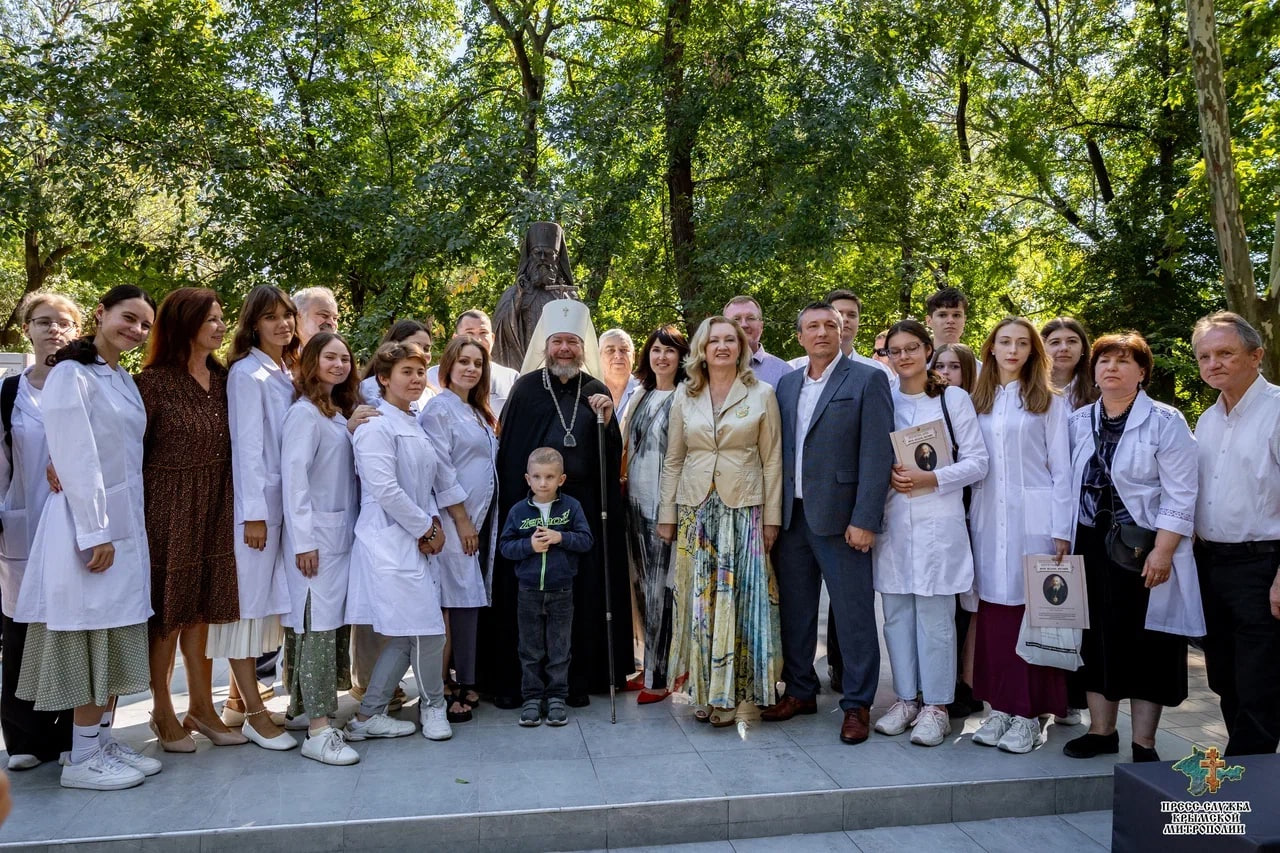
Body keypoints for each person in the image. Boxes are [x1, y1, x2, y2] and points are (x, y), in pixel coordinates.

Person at [15, 285, 163, 791]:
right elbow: (76, 458)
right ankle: (80, 759)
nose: (136, 330)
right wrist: (95, 532)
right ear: (99, 315)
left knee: (115, 635)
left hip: (124, 525)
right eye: (129, 318)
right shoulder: (70, 375)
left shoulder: (119, 377)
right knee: (91, 638)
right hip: (89, 528)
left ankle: (100, 742)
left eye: (145, 324)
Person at [478, 300, 632, 709]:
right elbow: (510, 456)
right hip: (531, 508)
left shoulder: (596, 390)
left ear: (583, 348)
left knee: (580, 598)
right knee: (528, 600)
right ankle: (523, 683)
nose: (565, 348)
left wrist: (606, 419)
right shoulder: (527, 389)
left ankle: (579, 678)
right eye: (558, 341)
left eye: (572, 342)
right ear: (547, 346)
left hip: (582, 509)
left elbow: (611, 453)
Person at [1062, 332, 1202, 763]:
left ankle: (1144, 742)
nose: (1111, 368)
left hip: (1143, 548)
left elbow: (1181, 494)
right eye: (1104, 360)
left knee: (1148, 643)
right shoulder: (1077, 420)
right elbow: (1062, 486)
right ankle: (1102, 731)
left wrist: (1163, 551)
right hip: (1089, 543)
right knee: (1095, 636)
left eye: (1124, 361)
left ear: (1142, 373)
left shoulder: (1166, 420)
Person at [761, 304, 893, 744]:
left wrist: (865, 518)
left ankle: (856, 704)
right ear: (799, 337)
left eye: (830, 326)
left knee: (854, 615)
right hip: (792, 517)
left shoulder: (868, 379)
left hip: (842, 520)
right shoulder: (787, 383)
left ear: (843, 332)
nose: (821, 333)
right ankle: (800, 690)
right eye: (812, 327)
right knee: (795, 613)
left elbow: (877, 455)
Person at [658, 316, 783, 726]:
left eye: (731, 340)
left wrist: (772, 519)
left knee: (738, 602)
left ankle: (735, 697)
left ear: (742, 348)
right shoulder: (684, 395)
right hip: (696, 510)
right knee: (700, 603)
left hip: (743, 509)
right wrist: (667, 512)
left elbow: (772, 461)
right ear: (702, 349)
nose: (723, 347)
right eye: (715, 341)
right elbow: (674, 458)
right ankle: (706, 689)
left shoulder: (761, 393)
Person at [136, 288, 245, 752]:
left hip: (218, 502)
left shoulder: (224, 379)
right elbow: (128, 448)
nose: (221, 327)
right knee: (169, 613)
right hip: (168, 505)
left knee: (203, 612)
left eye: (222, 319)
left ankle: (202, 707)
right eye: (212, 320)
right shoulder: (153, 383)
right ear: (184, 324)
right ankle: (161, 710)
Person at [872, 319, 988, 747]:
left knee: (936, 618)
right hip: (894, 521)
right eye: (895, 350)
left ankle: (937, 706)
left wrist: (931, 479)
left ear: (927, 350)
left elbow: (978, 462)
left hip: (939, 520)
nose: (903, 357)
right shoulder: (882, 398)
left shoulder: (952, 400)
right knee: (898, 613)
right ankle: (905, 699)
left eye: (911, 348)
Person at [967, 316, 1073, 754]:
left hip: (1036, 520)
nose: (1012, 350)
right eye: (1004, 342)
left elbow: (1063, 469)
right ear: (991, 348)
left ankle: (1030, 715)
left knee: (1036, 616)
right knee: (994, 614)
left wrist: (1061, 529)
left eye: (1022, 344)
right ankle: (999, 709)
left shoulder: (1049, 401)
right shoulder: (978, 399)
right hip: (989, 518)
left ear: (1033, 352)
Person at [345, 341, 459, 742]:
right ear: (383, 378)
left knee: (409, 632)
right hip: (389, 541)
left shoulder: (411, 420)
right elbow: (386, 490)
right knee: (429, 632)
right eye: (406, 372)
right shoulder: (376, 424)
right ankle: (432, 708)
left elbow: (424, 483)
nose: (415, 378)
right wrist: (426, 529)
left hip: (414, 539)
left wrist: (431, 525)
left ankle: (367, 717)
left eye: (419, 371)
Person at [1192, 311, 1280, 756]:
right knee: (1223, 677)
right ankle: (1246, 770)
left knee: (1259, 679)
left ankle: (1246, 781)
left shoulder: (1278, 409)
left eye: (1225, 353)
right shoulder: (1206, 421)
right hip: (1212, 564)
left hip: (1263, 565)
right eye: (1205, 356)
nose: (1214, 364)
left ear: (1256, 355)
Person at [0, 293, 80, 770]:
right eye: (43, 322)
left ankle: (74, 732)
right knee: (22, 632)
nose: (54, 330)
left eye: (64, 323)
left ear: (77, 331)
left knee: (72, 630)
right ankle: (26, 739)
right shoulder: (9, 392)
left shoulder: (86, 383)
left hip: (75, 529)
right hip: (23, 528)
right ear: (26, 329)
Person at [219, 285, 300, 751]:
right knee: (247, 611)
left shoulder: (285, 370)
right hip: (258, 511)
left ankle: (235, 703)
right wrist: (253, 515)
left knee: (267, 606)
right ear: (253, 324)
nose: (282, 324)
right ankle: (252, 713)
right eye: (271, 317)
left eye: (286, 316)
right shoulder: (246, 375)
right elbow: (247, 448)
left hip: (282, 505)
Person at [281, 332, 362, 765]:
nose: (339, 364)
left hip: (339, 539)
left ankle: (303, 711)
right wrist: (304, 540)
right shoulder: (303, 415)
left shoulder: (332, 414)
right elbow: (294, 480)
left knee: (328, 628)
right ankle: (318, 730)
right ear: (311, 362)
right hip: (315, 542)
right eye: (330, 357)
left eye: (345, 358)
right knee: (316, 628)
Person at [419, 336, 499, 724]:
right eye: (463, 362)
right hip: (454, 522)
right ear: (448, 365)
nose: (471, 369)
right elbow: (441, 469)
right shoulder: (439, 409)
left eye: (478, 363)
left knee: (463, 600)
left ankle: (462, 679)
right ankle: (443, 686)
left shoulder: (477, 411)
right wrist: (462, 520)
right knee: (454, 602)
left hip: (480, 522)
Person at [500, 448, 594, 726]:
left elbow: (586, 540)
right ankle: (531, 698)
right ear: (527, 479)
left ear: (561, 479)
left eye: (550, 477)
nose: (543, 483)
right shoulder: (518, 511)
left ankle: (556, 697)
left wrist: (560, 537)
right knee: (529, 649)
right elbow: (505, 547)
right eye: (538, 477)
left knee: (559, 648)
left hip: (562, 590)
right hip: (528, 591)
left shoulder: (571, 508)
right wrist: (529, 545)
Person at [622, 324, 689, 704]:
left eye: (670, 351)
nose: (662, 357)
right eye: (656, 350)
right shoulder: (642, 394)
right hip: (635, 503)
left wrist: (672, 511)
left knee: (663, 591)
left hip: (665, 508)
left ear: (681, 357)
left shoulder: (685, 396)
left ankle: (661, 677)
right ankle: (650, 665)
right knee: (642, 589)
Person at [428, 310, 519, 415]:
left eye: (483, 333)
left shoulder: (511, 378)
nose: (477, 340)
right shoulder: (433, 377)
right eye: (469, 333)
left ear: (493, 338)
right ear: (455, 339)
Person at [358, 319, 436, 409]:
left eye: (426, 349)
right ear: (396, 347)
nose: (421, 353)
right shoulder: (369, 389)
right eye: (415, 346)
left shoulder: (429, 394)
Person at [723, 296, 791, 387]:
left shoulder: (783, 372)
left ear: (761, 326)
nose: (743, 325)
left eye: (751, 318)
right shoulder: (709, 370)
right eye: (736, 319)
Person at [1042, 317, 1099, 411]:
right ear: (1042, 349)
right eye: (1055, 342)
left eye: (1072, 341)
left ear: (1083, 349)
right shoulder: (1025, 390)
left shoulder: (1099, 390)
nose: (1064, 348)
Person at [599, 329, 641, 420]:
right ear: (599, 357)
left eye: (624, 350)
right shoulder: (588, 393)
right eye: (610, 350)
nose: (618, 355)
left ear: (633, 357)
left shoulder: (646, 391)